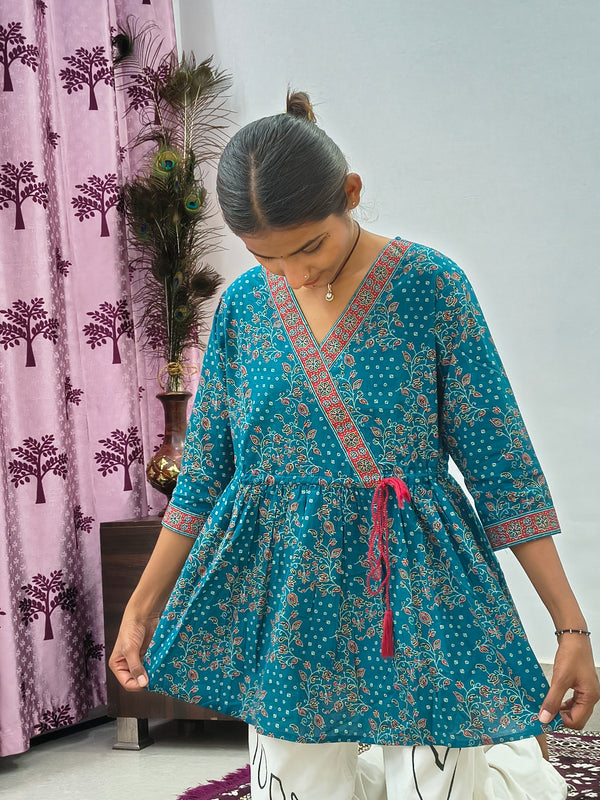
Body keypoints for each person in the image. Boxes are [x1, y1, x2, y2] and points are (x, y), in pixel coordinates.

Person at [109, 91, 599, 799]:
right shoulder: (246, 307)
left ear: (352, 195)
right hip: (287, 595)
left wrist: (571, 629)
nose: (297, 274)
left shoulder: (432, 287)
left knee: (438, 784)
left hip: (417, 584)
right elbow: (206, 473)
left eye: (310, 246)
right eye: (269, 258)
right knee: (293, 786)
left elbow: (503, 467)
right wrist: (142, 607)